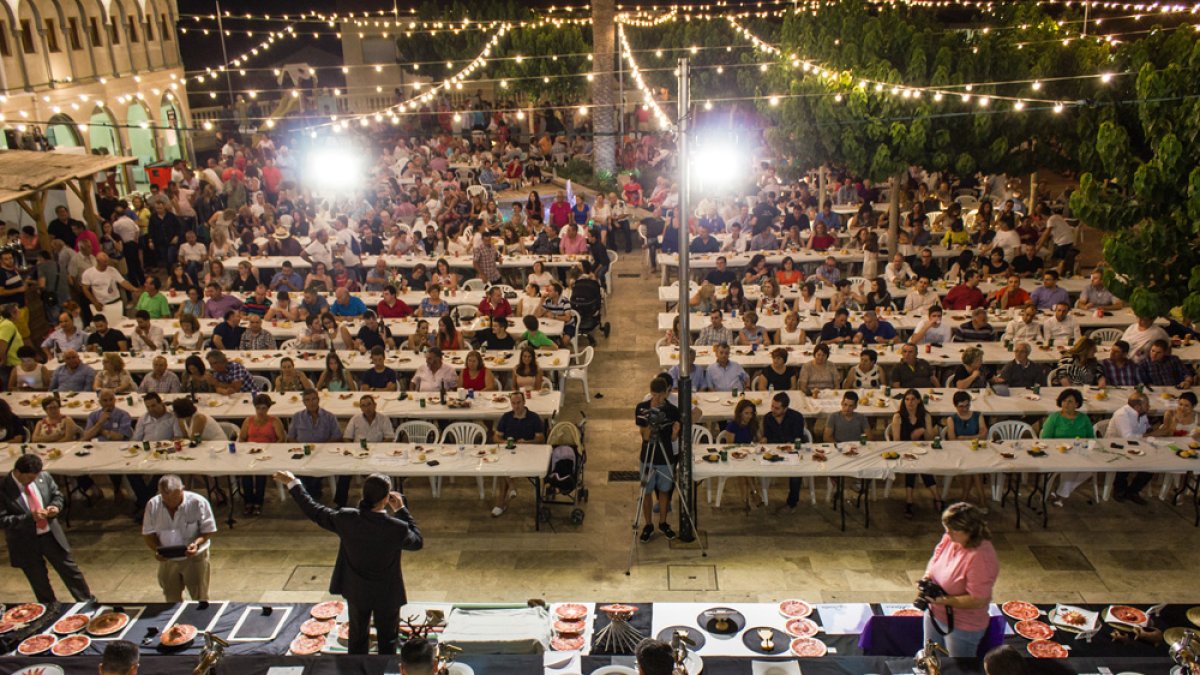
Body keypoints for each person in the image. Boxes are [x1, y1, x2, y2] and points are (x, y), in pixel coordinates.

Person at [274, 469, 422, 655]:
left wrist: (293, 483)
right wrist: (401, 510)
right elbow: (417, 541)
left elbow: (314, 510)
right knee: (388, 640)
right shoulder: (396, 528)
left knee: (357, 637)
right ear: (386, 499)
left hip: (356, 588)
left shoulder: (346, 518)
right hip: (386, 592)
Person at [0, 454, 94, 603]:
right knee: (39, 580)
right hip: (25, 542)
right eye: (29, 478)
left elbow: (57, 496)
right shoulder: (3, 488)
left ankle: (87, 602)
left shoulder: (43, 477)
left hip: (50, 535)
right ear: (18, 472)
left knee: (71, 572)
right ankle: (51, 610)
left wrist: (55, 507)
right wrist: (29, 518)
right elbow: (2, 520)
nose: (32, 481)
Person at [919, 502, 1000, 657]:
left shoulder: (980, 557)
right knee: (931, 658)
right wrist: (927, 576)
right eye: (946, 530)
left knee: (956, 669)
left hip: (963, 625)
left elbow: (978, 599)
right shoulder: (951, 538)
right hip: (935, 614)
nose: (947, 534)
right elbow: (936, 558)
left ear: (969, 531)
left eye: (952, 531)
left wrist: (944, 600)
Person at [141, 475, 216, 602]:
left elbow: (208, 530)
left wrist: (196, 544)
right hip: (168, 560)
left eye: (175, 498)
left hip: (194, 558)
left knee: (200, 596)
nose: (171, 503)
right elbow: (148, 534)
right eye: (166, 499)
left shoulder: (198, 502)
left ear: (182, 490)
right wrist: (157, 550)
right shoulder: (153, 505)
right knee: (171, 597)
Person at [635, 377, 680, 543]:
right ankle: (648, 524)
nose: (657, 399)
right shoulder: (642, 408)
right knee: (646, 491)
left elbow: (674, 439)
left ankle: (663, 522)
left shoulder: (672, 410)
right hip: (647, 456)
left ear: (666, 393)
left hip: (665, 456)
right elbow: (645, 436)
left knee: (664, 490)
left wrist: (675, 433)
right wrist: (651, 420)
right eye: (654, 395)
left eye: (660, 396)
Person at [491, 391, 545, 517]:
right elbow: (496, 437)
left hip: (529, 454)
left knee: (504, 470)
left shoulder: (534, 418)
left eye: (519, 403)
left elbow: (540, 438)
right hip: (510, 451)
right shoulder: (506, 417)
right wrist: (504, 441)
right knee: (501, 466)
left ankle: (502, 501)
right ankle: (510, 489)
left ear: (524, 402)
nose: (516, 406)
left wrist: (527, 442)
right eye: (513, 403)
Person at [286, 389, 343, 499]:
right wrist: (300, 448)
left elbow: (337, 437)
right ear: (303, 402)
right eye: (307, 400)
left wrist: (321, 448)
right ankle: (309, 493)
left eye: (313, 399)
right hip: (303, 452)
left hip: (324, 453)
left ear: (318, 400)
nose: (311, 402)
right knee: (299, 471)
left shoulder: (329, 417)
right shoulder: (297, 417)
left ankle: (311, 494)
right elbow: (291, 437)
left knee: (314, 473)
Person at [1042, 388, 1095, 506]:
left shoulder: (1084, 418)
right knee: (1070, 467)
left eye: (1070, 401)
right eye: (1064, 401)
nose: (1066, 404)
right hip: (1058, 452)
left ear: (1077, 404)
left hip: (1079, 451)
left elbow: (1091, 437)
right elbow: (1045, 439)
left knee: (1091, 469)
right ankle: (1061, 495)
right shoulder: (1054, 418)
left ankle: (1061, 492)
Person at [893, 389, 941, 518]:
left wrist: (924, 429)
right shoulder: (898, 416)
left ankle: (920, 500)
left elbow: (929, 438)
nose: (910, 402)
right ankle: (928, 499)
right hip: (904, 449)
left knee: (922, 465)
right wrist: (911, 437)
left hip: (923, 450)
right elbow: (896, 440)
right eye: (907, 399)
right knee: (913, 466)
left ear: (919, 401)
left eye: (913, 399)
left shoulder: (925, 416)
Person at [1104, 391, 1153, 505]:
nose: (1149, 407)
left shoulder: (1142, 414)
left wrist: (1155, 431)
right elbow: (1128, 437)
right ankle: (1119, 489)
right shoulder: (1122, 415)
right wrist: (1150, 435)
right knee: (1127, 460)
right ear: (1137, 406)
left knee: (1153, 464)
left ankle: (1133, 491)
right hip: (1115, 446)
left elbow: (1147, 428)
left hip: (1137, 445)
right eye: (1147, 405)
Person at [944, 391, 990, 507]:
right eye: (961, 406)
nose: (964, 409)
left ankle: (965, 496)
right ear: (955, 406)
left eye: (967, 405)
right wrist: (975, 437)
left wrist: (964, 437)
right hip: (959, 452)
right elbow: (952, 439)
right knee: (973, 467)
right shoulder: (951, 419)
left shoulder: (978, 415)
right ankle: (981, 498)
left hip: (977, 450)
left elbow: (984, 434)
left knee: (973, 465)